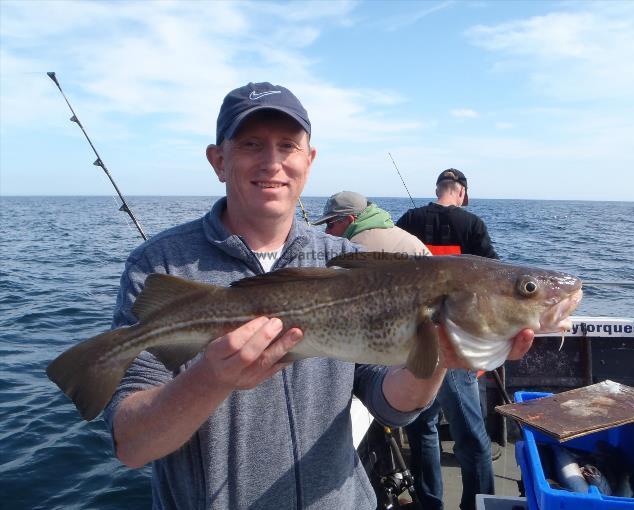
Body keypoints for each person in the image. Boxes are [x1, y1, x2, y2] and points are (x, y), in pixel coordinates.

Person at [101, 84, 534, 510]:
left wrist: (435, 359)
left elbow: (388, 404)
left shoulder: (349, 262)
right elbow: (132, 446)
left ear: (309, 161)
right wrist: (209, 379)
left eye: (288, 146)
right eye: (251, 143)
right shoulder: (158, 265)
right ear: (218, 160)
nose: (272, 162)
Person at [396, 169, 498, 510]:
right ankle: (479, 503)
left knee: (422, 429)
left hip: (416, 339)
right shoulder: (473, 226)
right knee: (470, 433)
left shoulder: (410, 218)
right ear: (463, 193)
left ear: (438, 189)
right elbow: (495, 283)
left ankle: (429, 505)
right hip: (457, 344)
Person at [312, 190, 429, 255]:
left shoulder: (354, 249)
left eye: (329, 224)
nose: (327, 231)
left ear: (349, 220)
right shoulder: (397, 232)